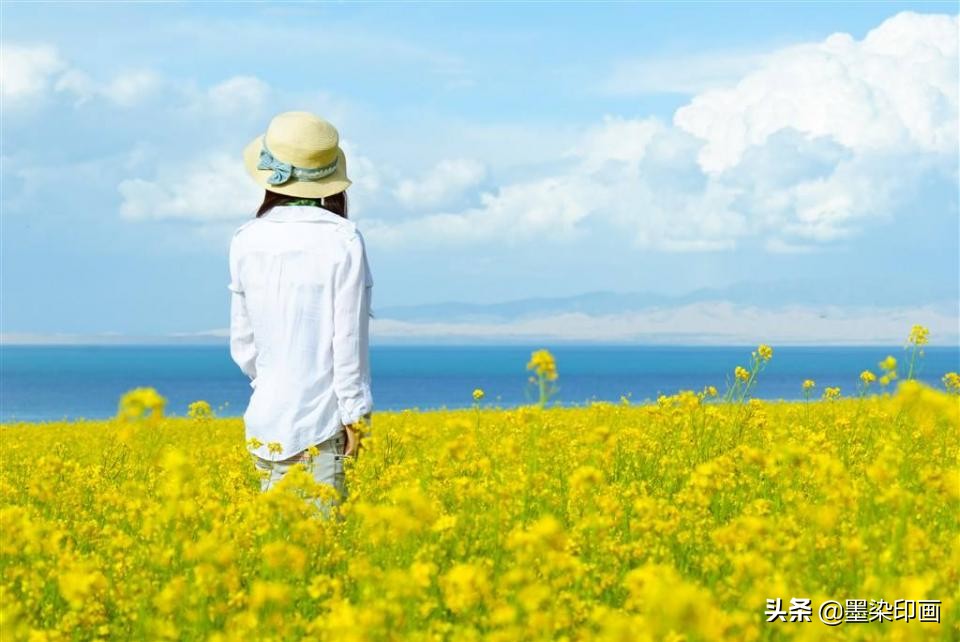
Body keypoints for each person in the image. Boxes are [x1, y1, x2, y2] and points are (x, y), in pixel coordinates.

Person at [228, 111, 374, 517]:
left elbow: (244, 346)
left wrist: (275, 382)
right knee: (315, 555)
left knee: (275, 556)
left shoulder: (245, 238)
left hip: (263, 423)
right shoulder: (343, 240)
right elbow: (348, 342)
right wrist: (355, 418)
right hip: (319, 426)